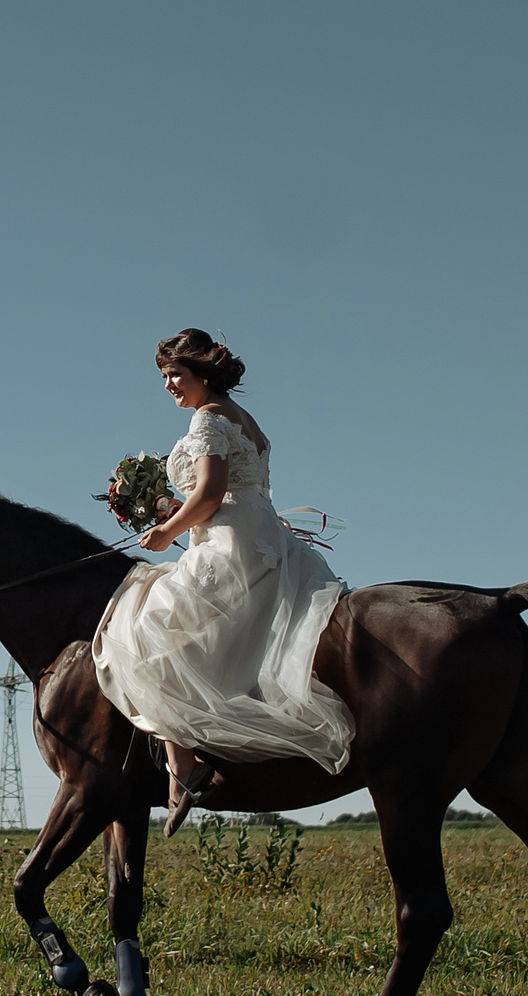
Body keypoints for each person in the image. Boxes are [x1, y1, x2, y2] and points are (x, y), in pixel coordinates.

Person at [92, 330, 355, 834]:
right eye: (164, 375)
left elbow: (212, 493)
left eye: (177, 374)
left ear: (203, 373)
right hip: (262, 535)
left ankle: (185, 767)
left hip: (230, 542)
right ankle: (184, 764)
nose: (169, 384)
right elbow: (231, 489)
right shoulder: (243, 419)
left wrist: (167, 530)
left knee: (147, 632)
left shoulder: (207, 417)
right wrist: (171, 507)